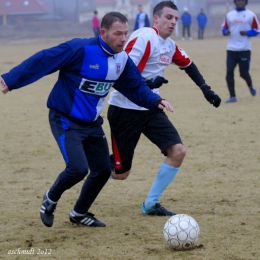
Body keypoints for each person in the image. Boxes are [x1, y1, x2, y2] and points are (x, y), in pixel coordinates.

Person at [1, 12, 174, 228]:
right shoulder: (81, 49)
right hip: (65, 119)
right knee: (78, 168)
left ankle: (79, 213)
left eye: (125, 34)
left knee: (102, 170)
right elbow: (44, 59)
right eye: (117, 34)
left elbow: (135, 85)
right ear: (103, 33)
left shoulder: (122, 59)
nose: (123, 39)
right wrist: (11, 79)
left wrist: (155, 100)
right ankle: (50, 198)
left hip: (91, 123)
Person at [107, 1, 221, 216]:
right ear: (156, 19)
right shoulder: (144, 38)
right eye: (168, 17)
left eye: (176, 19)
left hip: (151, 107)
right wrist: (149, 84)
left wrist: (206, 89)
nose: (173, 22)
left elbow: (188, 65)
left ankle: (150, 204)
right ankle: (98, 164)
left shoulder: (169, 46)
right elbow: (122, 73)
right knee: (121, 174)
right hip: (125, 109)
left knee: (178, 152)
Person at [222, 0, 259, 103]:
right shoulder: (229, 15)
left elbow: (257, 30)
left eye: (242, 0)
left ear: (245, 2)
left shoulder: (250, 15)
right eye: (238, 0)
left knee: (243, 73)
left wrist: (247, 32)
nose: (240, 2)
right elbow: (224, 28)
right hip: (231, 49)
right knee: (229, 73)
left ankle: (250, 86)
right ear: (235, 2)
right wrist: (226, 32)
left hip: (244, 49)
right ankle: (232, 96)